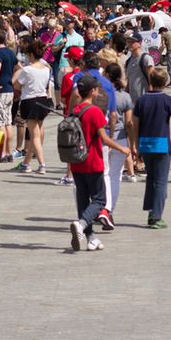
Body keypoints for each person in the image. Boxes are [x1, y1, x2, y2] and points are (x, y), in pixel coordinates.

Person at [67, 75, 130, 252]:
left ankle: (90, 238)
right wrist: (122, 149)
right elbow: (103, 138)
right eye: (96, 88)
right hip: (93, 160)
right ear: (93, 91)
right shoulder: (94, 111)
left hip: (76, 161)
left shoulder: (75, 110)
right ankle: (81, 225)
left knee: (82, 200)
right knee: (100, 199)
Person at [131, 67, 171, 229]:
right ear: (165, 83)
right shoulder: (167, 100)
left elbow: (134, 124)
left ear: (150, 81)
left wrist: (135, 145)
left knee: (151, 178)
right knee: (161, 181)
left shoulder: (141, 100)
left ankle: (151, 211)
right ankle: (156, 217)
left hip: (145, 144)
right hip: (162, 144)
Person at [100, 61, 134, 230]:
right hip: (121, 138)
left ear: (107, 75)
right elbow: (129, 123)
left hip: (104, 136)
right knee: (115, 176)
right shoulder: (125, 96)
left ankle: (102, 208)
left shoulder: (101, 94)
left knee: (104, 174)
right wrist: (132, 143)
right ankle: (109, 210)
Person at [13, 39, 52, 174]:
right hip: (42, 100)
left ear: (30, 55)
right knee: (38, 132)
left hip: (30, 101)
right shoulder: (46, 69)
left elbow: (17, 85)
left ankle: (42, 164)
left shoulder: (27, 70)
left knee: (34, 134)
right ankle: (26, 162)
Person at [0, 31, 18, 163]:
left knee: (0, 124)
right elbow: (19, 68)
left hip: (0, 91)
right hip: (9, 90)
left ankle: (2, 153)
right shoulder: (11, 52)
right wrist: (12, 80)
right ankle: (9, 151)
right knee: (8, 122)